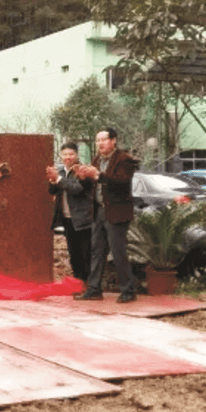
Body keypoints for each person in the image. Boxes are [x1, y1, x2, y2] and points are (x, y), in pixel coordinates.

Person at [74, 128, 139, 303]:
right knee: (96, 251)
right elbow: (91, 186)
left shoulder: (124, 160)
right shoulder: (97, 160)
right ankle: (94, 289)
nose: (100, 143)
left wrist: (97, 175)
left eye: (103, 140)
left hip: (116, 212)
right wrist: (83, 176)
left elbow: (121, 183)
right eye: (98, 140)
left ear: (113, 141)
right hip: (99, 211)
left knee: (118, 252)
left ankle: (128, 290)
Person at [46, 142, 93, 283]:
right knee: (73, 253)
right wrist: (52, 180)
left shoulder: (83, 171)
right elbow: (52, 191)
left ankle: (89, 284)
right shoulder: (60, 171)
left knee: (85, 253)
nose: (68, 157)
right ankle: (78, 283)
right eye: (65, 154)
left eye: (71, 154)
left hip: (83, 218)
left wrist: (58, 179)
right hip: (67, 218)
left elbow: (76, 189)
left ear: (77, 155)